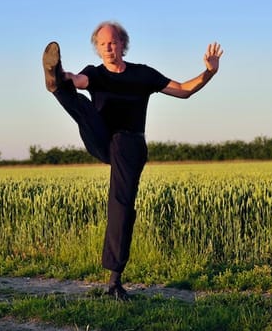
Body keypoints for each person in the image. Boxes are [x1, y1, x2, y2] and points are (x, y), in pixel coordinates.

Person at [42, 21, 223, 300]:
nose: (108, 48)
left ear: (123, 44)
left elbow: (185, 90)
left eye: (112, 42)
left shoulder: (143, 74)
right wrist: (64, 77)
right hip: (102, 137)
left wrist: (209, 72)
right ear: (97, 48)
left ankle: (115, 281)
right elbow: (78, 80)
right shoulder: (95, 73)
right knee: (80, 102)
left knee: (121, 205)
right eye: (102, 44)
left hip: (129, 144)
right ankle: (54, 82)